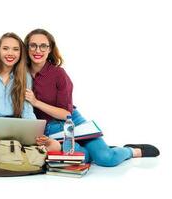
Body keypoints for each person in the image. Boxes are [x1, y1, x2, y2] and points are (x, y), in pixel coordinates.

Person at [24, 28, 160, 167]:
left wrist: (36, 102)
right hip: (49, 131)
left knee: (106, 158)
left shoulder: (58, 74)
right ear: (27, 48)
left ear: (49, 49)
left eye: (43, 46)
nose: (38, 50)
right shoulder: (20, 74)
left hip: (73, 122)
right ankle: (94, 151)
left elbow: (66, 114)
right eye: (33, 45)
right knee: (82, 158)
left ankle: (131, 150)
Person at [0, 32, 56, 173]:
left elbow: (27, 110)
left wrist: (36, 135)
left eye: (16, 49)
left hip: (19, 129)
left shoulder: (24, 75)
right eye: (5, 48)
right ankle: (27, 161)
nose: (10, 53)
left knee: (55, 145)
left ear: (21, 53)